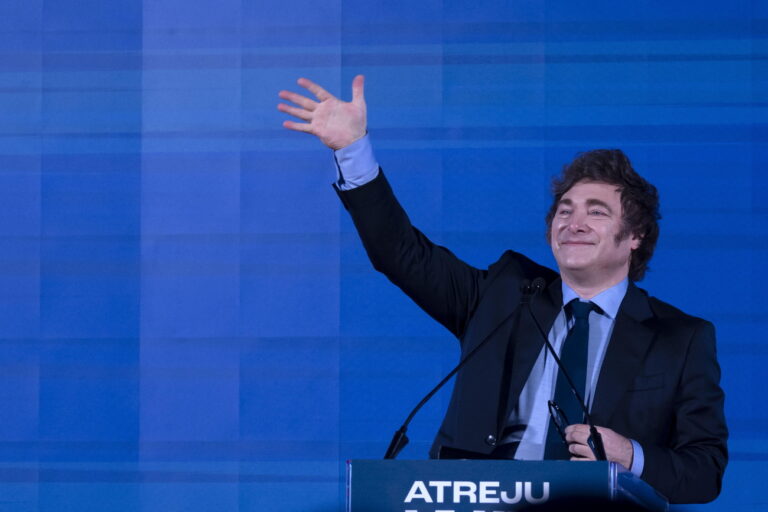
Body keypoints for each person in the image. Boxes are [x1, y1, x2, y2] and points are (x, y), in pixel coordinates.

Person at [277, 76, 728, 504]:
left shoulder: (680, 338)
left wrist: (630, 456)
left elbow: (704, 470)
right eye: (565, 210)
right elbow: (401, 253)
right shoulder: (504, 293)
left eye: (597, 212)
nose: (574, 223)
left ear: (636, 237)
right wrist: (354, 150)